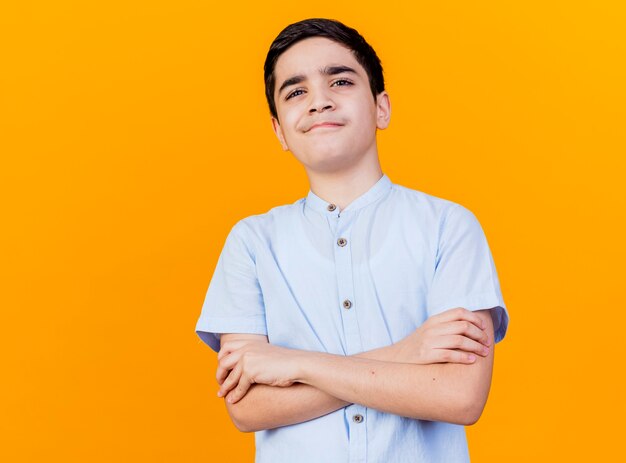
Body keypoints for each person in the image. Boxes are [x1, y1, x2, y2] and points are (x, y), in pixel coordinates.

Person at [195, 18, 509, 463]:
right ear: (279, 130)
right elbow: (247, 406)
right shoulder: (251, 242)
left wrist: (298, 365)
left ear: (382, 108)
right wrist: (408, 353)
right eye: (296, 92)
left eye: (340, 81)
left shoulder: (449, 226)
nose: (319, 102)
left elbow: (459, 396)